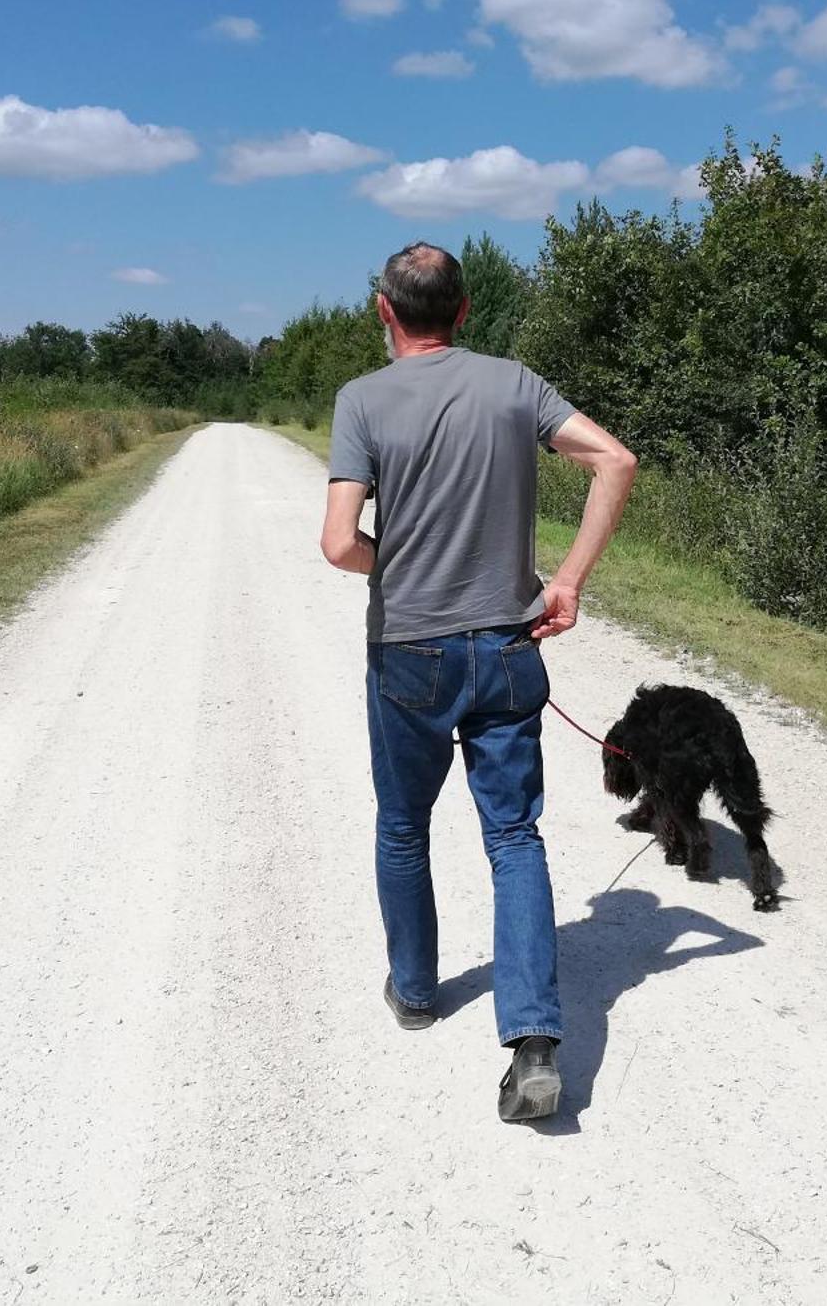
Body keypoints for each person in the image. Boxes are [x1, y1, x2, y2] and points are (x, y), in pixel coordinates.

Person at [321, 241, 637, 1122]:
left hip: (410, 655)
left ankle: (416, 991)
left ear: (384, 310)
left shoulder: (361, 401)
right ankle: (535, 1041)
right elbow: (616, 461)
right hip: (507, 646)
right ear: (464, 311)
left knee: (402, 825)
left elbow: (341, 543)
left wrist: (402, 567)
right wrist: (567, 581)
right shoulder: (515, 384)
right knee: (514, 836)